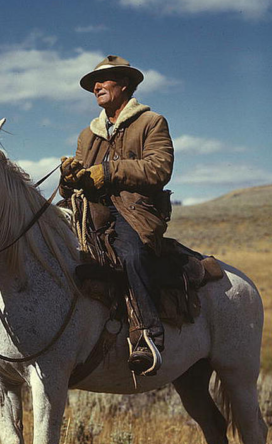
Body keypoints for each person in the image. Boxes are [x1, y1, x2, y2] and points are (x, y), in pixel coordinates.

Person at [60, 55, 174, 376]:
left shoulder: (151, 122)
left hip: (134, 211)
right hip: (90, 212)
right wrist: (70, 179)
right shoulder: (88, 134)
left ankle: (147, 334)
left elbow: (159, 168)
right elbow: (81, 180)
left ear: (124, 84)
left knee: (133, 254)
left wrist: (108, 172)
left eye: (104, 81)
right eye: (93, 84)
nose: (96, 87)